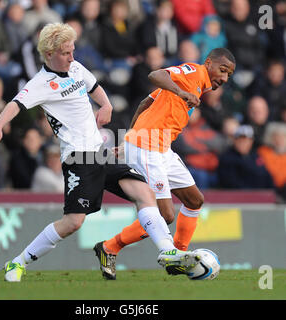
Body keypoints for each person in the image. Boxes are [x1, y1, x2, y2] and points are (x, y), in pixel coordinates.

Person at [0, 22, 198, 282]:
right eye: (65, 52)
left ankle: (167, 252)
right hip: (77, 158)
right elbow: (15, 104)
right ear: (49, 54)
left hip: (99, 151)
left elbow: (94, 87)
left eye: (72, 50)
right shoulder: (40, 83)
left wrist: (105, 105)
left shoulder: (75, 67)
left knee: (144, 192)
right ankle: (18, 262)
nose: (72, 57)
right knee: (73, 222)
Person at [95, 47, 236, 279]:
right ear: (208, 63)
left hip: (160, 148)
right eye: (222, 70)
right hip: (148, 147)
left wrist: (129, 137)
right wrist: (181, 93)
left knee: (194, 200)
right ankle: (110, 247)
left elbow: (144, 103)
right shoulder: (192, 72)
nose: (224, 78)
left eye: (229, 75)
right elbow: (155, 75)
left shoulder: (199, 87)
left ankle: (178, 257)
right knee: (165, 214)